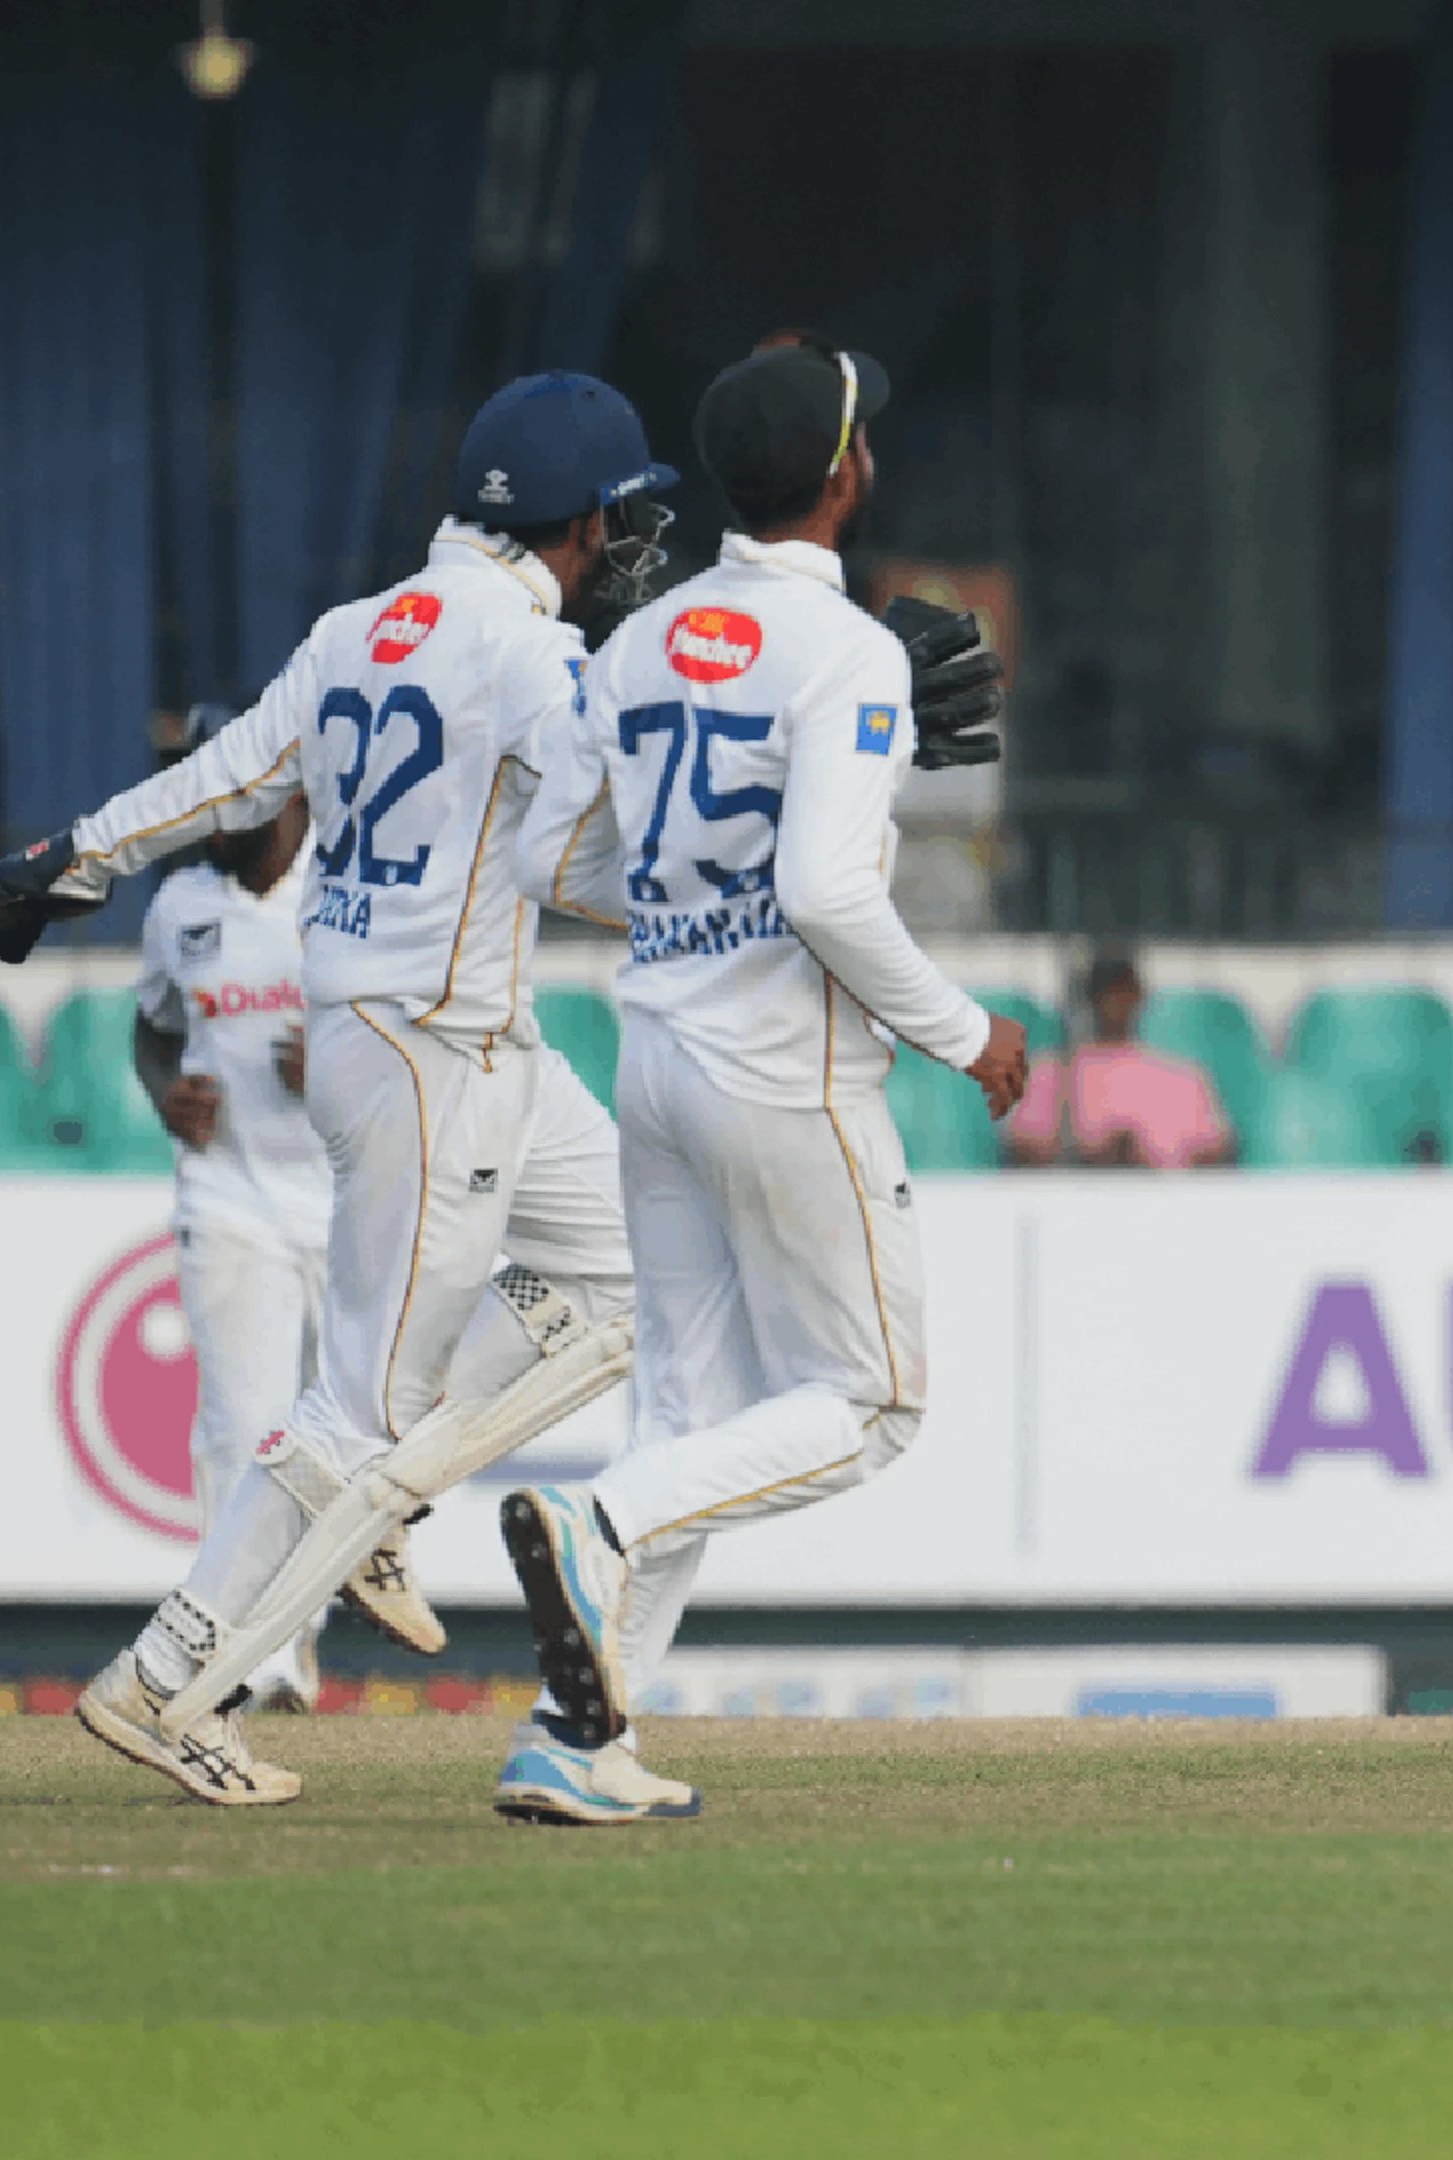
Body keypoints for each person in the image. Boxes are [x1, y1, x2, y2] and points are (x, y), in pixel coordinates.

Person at [0, 371, 683, 1807]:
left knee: (632, 1275)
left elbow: (222, 778)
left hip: (449, 1039)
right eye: (621, 523)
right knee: (355, 1418)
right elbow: (632, 820)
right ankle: (166, 1677)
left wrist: (51, 865)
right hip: (427, 1051)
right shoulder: (526, 650)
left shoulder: (356, 631)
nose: (627, 551)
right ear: (581, 522)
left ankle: (388, 1503)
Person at [497, 335, 1026, 1824]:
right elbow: (827, 898)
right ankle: (598, 1523)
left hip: (654, 1062)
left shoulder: (644, 635)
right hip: (784, 1074)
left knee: (689, 1405)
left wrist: (679, 895)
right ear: (850, 472)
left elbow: (553, 861)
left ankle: (571, 1736)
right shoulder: (852, 654)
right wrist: (965, 1031)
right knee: (871, 1404)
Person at [131, 772, 440, 1710]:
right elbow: (151, 1030)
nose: (218, 827)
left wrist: (346, 1067)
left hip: (348, 1206)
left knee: (344, 1434)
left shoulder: (348, 895)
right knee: (239, 1427)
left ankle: (296, 1632)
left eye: (240, 810)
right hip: (230, 1201)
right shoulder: (181, 906)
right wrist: (165, 1095)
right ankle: (246, 1656)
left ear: (294, 808)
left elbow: (432, 1034)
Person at [1004, 954, 1235, 1168]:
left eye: (1124, 992)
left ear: (1139, 996)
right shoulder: (1052, 1074)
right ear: (1090, 999)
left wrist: (1145, 1161)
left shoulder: (1183, 1076)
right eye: (1108, 993)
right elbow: (1020, 1151)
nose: (1116, 1003)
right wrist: (1092, 1157)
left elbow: (1218, 1153)